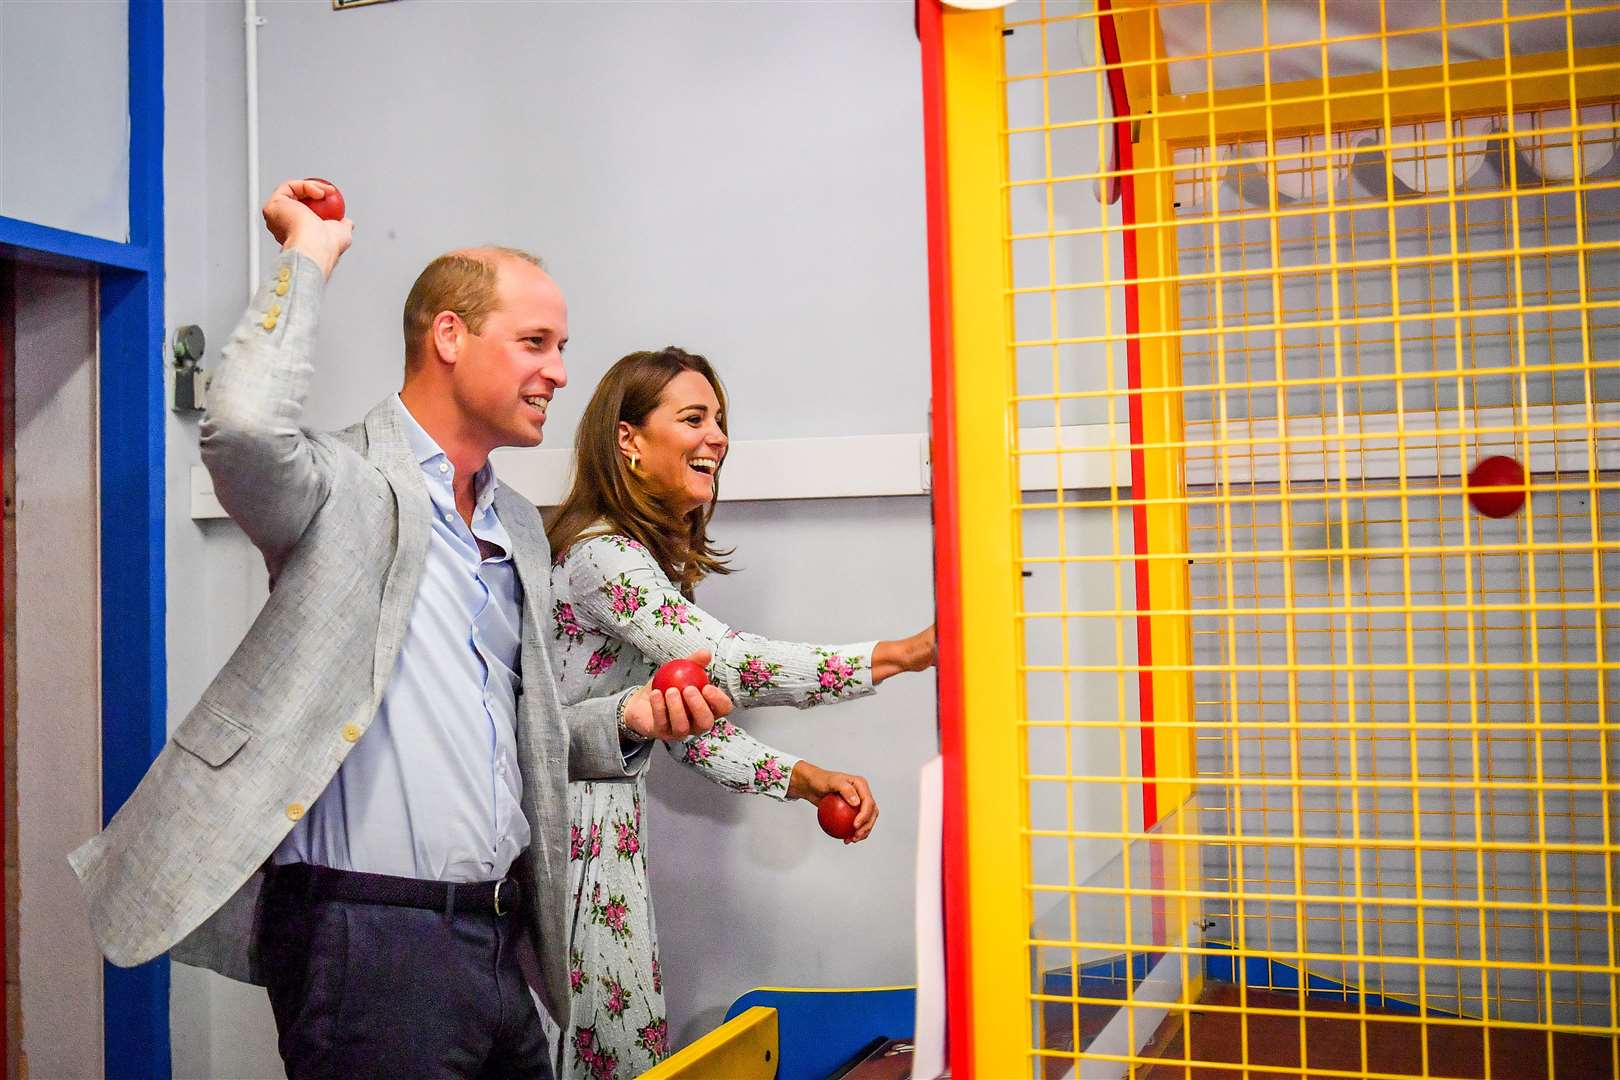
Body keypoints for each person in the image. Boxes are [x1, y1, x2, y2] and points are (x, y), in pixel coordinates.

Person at [69, 180, 733, 1079]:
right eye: (535, 342)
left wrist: (628, 723)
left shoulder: (519, 529)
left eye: (562, 347)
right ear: (449, 338)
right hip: (368, 941)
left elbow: (507, 731)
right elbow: (240, 425)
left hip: (502, 939)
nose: (561, 371)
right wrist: (308, 253)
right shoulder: (341, 484)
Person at [544, 346, 937, 1078]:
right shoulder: (603, 558)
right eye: (693, 418)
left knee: (620, 1052)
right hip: (561, 842)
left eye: (719, 420)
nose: (717, 436)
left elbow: (684, 724)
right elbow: (728, 661)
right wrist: (901, 654)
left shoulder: (642, 562)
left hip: (603, 841)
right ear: (628, 439)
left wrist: (801, 777)